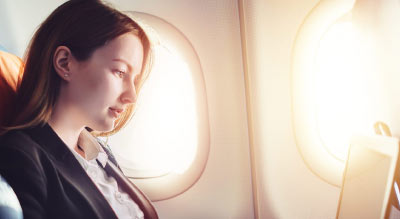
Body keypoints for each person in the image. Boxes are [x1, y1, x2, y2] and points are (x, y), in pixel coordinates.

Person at [0, 0, 158, 218]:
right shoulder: (21, 156)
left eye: (135, 79)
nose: (131, 96)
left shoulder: (100, 153)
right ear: (65, 63)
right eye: (120, 72)